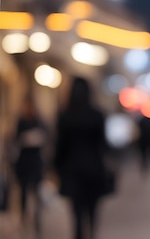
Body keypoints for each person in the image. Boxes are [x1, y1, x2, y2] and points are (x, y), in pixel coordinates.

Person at [54, 76, 112, 239]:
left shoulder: (65, 116)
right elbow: (104, 145)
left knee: (77, 216)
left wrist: (56, 168)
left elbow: (60, 147)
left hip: (73, 172)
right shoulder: (97, 115)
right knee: (92, 213)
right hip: (94, 170)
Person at [12, 94, 48, 238]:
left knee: (36, 193)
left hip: (35, 162)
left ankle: (37, 223)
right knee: (24, 193)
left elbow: (46, 135)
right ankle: (23, 220)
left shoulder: (39, 121)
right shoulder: (21, 121)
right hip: (24, 162)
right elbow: (15, 139)